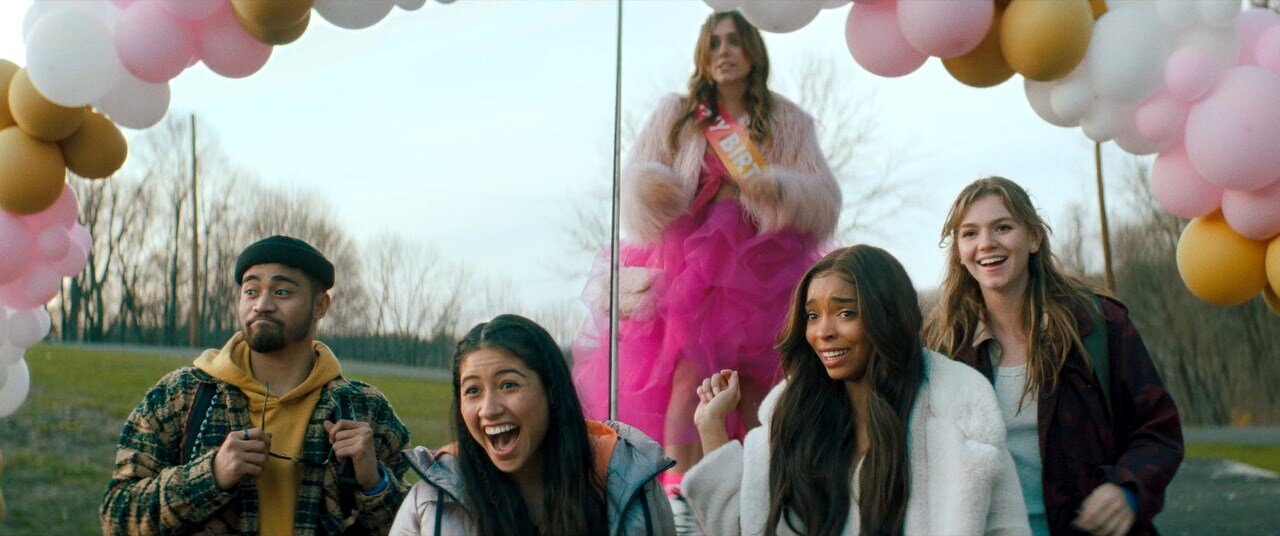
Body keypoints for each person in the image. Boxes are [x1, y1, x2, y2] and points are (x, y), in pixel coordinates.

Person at [572, 10, 841, 492]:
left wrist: (774, 186)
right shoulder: (680, 115)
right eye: (714, 43)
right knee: (690, 384)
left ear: (753, 50)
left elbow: (824, 198)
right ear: (702, 54)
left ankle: (764, 494)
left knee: (761, 389)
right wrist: (658, 188)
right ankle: (681, 497)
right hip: (691, 270)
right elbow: (636, 182)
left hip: (764, 271)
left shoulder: (786, 120)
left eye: (734, 41)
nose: (724, 52)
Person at [684, 245, 1030, 535]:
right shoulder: (792, 416)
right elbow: (747, 527)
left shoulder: (959, 409)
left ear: (887, 316)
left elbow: (1006, 527)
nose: (823, 332)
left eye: (846, 313)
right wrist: (711, 426)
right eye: (812, 315)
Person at [925, 177, 1184, 536]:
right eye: (970, 233)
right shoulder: (940, 349)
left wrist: (1127, 489)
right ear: (958, 249)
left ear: (1033, 238)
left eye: (1003, 227)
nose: (986, 243)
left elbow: (1157, 428)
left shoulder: (1097, 325)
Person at [101, 235, 411, 535]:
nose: (262, 305)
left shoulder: (365, 410)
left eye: (282, 292)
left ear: (320, 305)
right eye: (251, 291)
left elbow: (413, 526)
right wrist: (210, 475)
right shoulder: (181, 395)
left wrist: (375, 483)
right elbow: (116, 517)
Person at [391, 314, 675, 535]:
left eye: (508, 385)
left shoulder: (630, 485)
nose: (489, 409)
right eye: (473, 390)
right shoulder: (431, 500)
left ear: (551, 390)